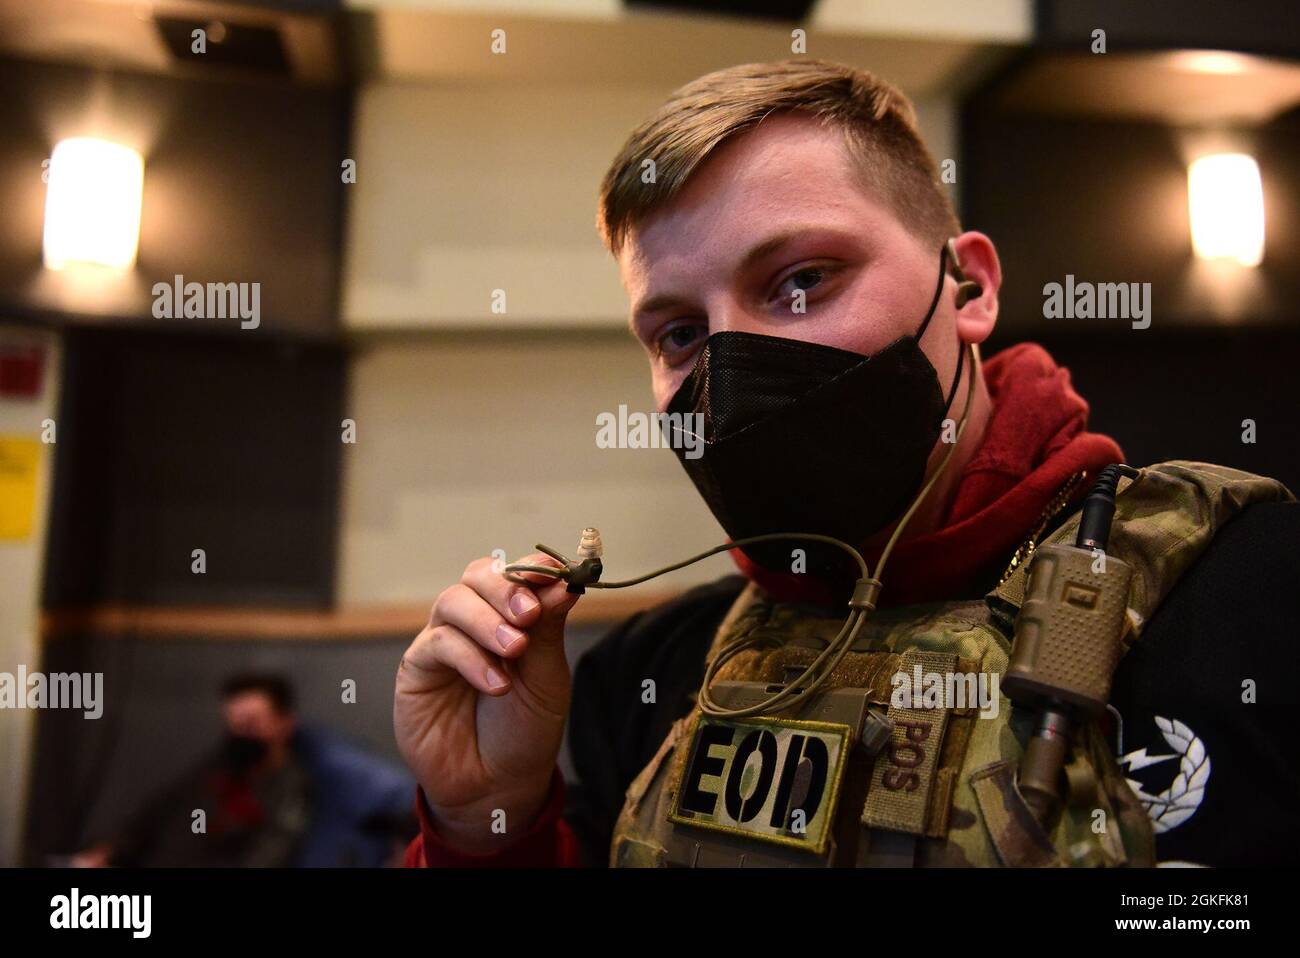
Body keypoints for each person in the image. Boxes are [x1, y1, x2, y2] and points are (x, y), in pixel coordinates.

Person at [393, 59, 1299, 868]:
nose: (732, 372)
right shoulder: (646, 672)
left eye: (801, 280)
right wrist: (484, 822)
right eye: (678, 333)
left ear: (970, 287)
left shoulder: (1248, 595)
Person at [75, 673, 413, 868]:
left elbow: (267, 857)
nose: (240, 735)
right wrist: (110, 852)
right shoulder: (218, 769)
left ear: (284, 724)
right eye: (233, 724)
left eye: (251, 723)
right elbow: (157, 813)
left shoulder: (292, 791)